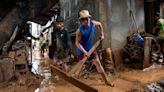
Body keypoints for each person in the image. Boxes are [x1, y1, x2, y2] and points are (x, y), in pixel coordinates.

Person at [75, 10, 112, 86]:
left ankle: (106, 81)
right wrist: (85, 52)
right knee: (79, 68)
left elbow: (100, 24)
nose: (85, 21)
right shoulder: (80, 31)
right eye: (83, 20)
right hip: (81, 51)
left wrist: (102, 34)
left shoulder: (93, 23)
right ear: (81, 21)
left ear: (89, 18)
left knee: (98, 63)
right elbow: (77, 43)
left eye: (86, 19)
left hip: (91, 49)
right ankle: (75, 84)